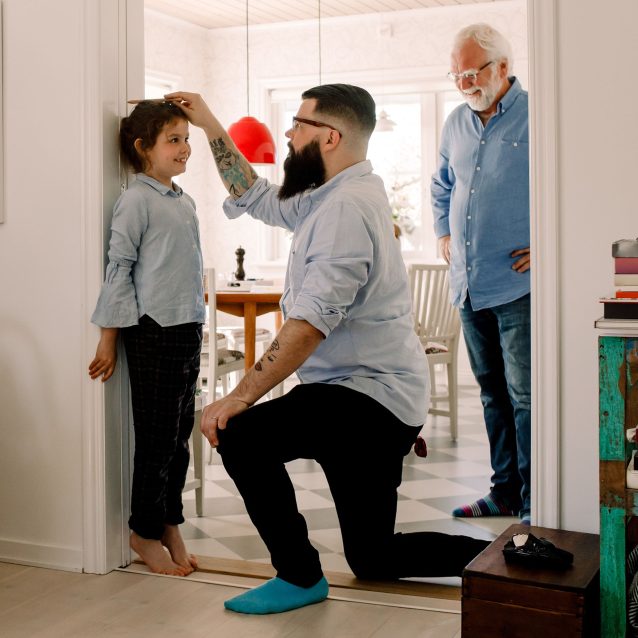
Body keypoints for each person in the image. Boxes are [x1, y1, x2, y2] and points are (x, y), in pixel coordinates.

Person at [165, 84, 490, 615]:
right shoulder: (332, 194)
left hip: (368, 397)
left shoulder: (345, 210)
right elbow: (254, 194)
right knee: (374, 556)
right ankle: (505, 557)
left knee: (240, 435)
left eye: (298, 125)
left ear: (331, 136)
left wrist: (239, 396)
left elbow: (308, 325)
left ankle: (298, 576)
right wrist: (207, 123)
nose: (288, 134)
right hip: (373, 396)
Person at [88, 100, 205, 576]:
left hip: (188, 326)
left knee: (179, 439)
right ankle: (143, 531)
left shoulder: (183, 200)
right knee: (156, 440)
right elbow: (119, 269)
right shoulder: (136, 200)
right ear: (143, 148)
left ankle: (170, 523)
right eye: (173, 140)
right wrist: (108, 338)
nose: (184, 148)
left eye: (186, 139)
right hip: (154, 331)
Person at [431, 24, 531, 525]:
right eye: (456, 75)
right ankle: (504, 492)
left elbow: (568, 184)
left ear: (503, 68)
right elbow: (441, 185)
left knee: (525, 397)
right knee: (491, 393)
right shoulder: (455, 122)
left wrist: (552, 244)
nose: (463, 84)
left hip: (518, 286)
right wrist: (442, 233)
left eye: (470, 73)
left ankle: (536, 501)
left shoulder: (539, 115)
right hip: (468, 285)